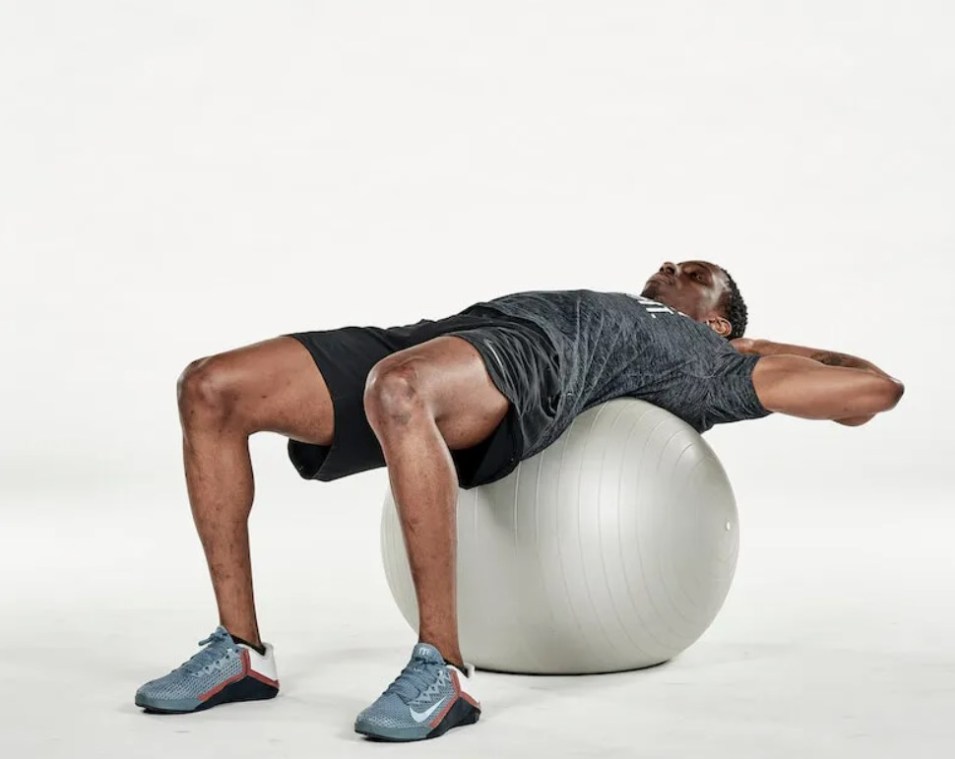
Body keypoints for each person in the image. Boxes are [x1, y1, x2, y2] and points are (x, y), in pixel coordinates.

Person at [134, 260, 904, 741]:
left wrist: (756, 349)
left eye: (694, 268)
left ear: (717, 319)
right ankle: (240, 652)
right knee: (209, 386)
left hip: (529, 367)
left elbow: (873, 390)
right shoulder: (640, 306)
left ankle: (443, 670)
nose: (668, 262)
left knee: (400, 388)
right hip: (455, 333)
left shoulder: (713, 362)